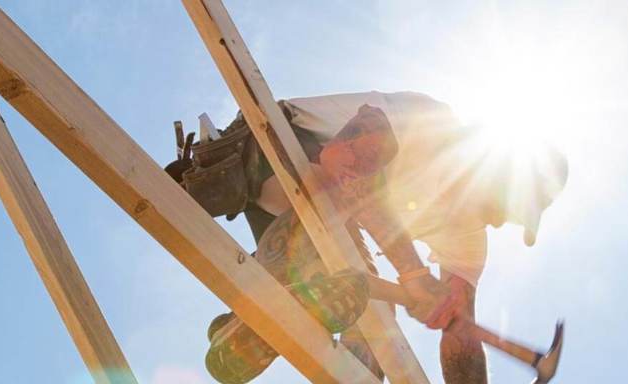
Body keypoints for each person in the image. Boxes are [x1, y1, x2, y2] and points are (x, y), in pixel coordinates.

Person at [172, 91, 568, 383]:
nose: (500, 223)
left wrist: (451, 319)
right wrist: (412, 274)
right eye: (508, 208)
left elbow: (460, 331)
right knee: (337, 200)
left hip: (302, 216)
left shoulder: (468, 235)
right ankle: (268, 293)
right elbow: (344, 165)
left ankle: (249, 317)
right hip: (268, 149)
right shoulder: (432, 123)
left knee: (375, 323)